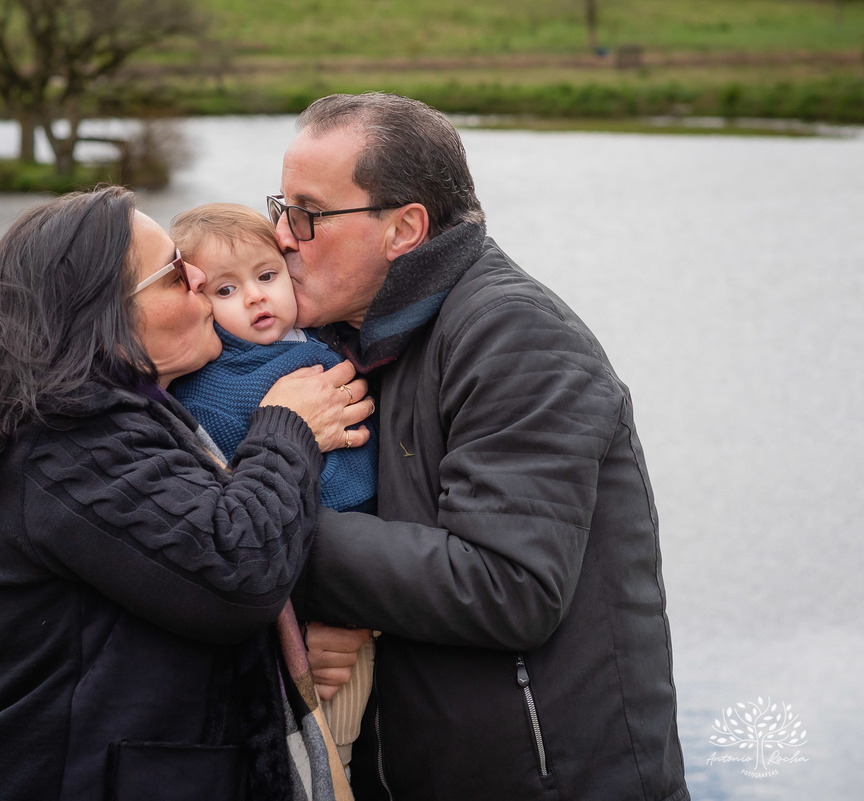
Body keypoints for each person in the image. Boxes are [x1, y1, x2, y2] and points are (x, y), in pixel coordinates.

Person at [0, 185, 374, 801]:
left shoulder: (121, 417)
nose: (200, 276)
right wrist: (288, 426)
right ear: (107, 324)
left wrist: (301, 634)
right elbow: (235, 571)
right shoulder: (69, 445)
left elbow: (171, 580)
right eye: (175, 271)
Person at [275, 93, 689, 801]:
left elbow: (508, 585)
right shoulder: (347, 342)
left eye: (308, 213)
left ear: (404, 229)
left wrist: (265, 535)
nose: (282, 235)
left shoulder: (516, 335)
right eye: (280, 207)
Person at [168, 202, 379, 766]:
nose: (255, 298)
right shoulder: (211, 388)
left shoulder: (318, 338)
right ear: (197, 301)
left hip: (371, 566)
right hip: (306, 583)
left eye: (267, 276)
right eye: (226, 290)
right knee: (328, 741)